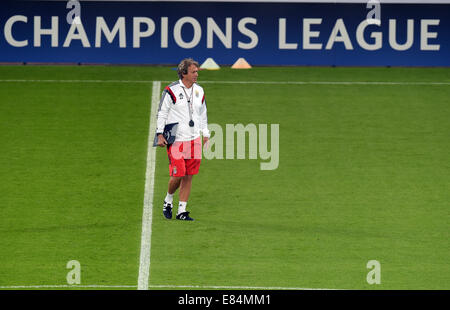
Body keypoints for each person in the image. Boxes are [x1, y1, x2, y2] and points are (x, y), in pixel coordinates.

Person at [156, 58, 210, 221]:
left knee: (189, 176)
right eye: (193, 72)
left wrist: (205, 133)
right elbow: (162, 113)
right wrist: (159, 134)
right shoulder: (171, 90)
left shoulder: (199, 91)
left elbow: (202, 114)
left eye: (197, 72)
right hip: (177, 140)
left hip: (194, 139)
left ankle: (182, 211)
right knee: (178, 175)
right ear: (184, 73)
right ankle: (168, 199)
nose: (196, 75)